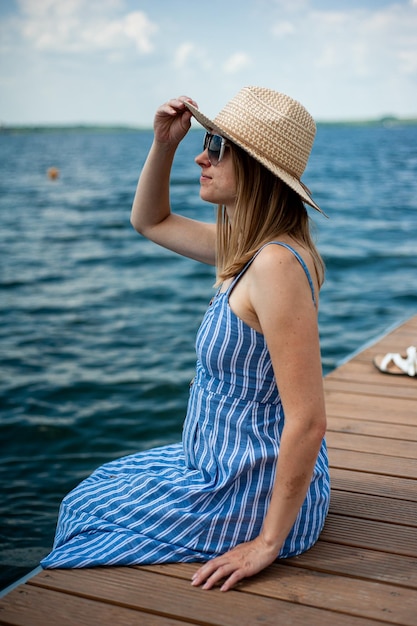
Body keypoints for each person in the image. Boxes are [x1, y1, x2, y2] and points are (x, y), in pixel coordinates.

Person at [41, 86, 330, 592]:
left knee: (86, 514)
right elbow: (149, 221)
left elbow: (308, 421)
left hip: (248, 489)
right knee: (93, 491)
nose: (202, 155)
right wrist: (163, 143)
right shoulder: (249, 248)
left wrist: (267, 543)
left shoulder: (275, 266)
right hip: (219, 463)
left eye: (216, 146)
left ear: (258, 169)